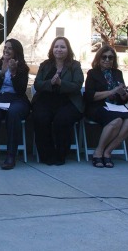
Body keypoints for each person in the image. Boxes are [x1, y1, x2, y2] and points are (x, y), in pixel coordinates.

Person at [33, 36, 84, 165]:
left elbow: (77, 85)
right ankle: (46, 155)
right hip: (46, 100)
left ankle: (60, 155)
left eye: (62, 47)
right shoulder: (45, 65)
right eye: (56, 46)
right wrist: (50, 82)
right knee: (41, 118)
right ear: (52, 49)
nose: (59, 49)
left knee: (62, 119)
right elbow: (37, 84)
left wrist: (61, 83)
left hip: (68, 101)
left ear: (68, 49)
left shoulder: (75, 65)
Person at [0, 38, 31, 170]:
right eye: (5, 47)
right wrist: (2, 74)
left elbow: (21, 90)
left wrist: (14, 73)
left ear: (16, 51)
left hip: (16, 100)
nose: (6, 50)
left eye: (10, 48)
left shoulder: (22, 68)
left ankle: (11, 156)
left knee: (13, 113)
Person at [84, 45, 128, 168]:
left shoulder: (117, 73)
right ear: (98, 58)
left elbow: (125, 98)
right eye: (104, 57)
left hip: (117, 106)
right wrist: (111, 92)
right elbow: (89, 96)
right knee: (116, 120)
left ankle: (108, 152)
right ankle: (98, 151)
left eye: (110, 58)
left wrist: (123, 93)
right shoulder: (92, 73)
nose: (107, 60)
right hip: (98, 107)